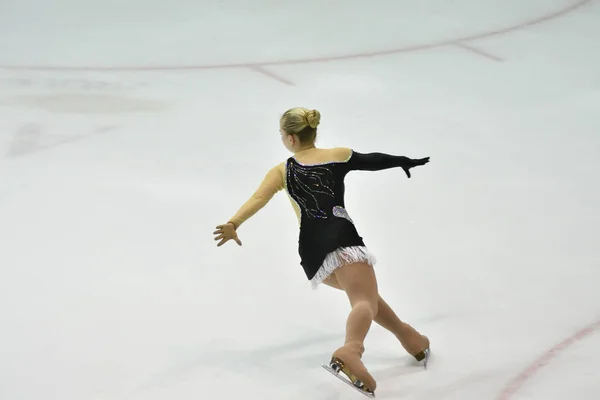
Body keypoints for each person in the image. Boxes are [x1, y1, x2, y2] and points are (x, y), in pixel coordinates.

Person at [213, 107, 431, 396]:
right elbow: (372, 160)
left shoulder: (282, 170)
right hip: (340, 236)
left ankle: (410, 338)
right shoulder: (337, 154)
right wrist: (403, 161)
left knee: (365, 296)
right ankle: (352, 349)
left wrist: (233, 223)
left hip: (312, 250)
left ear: (290, 139)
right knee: (364, 300)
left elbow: (258, 197)